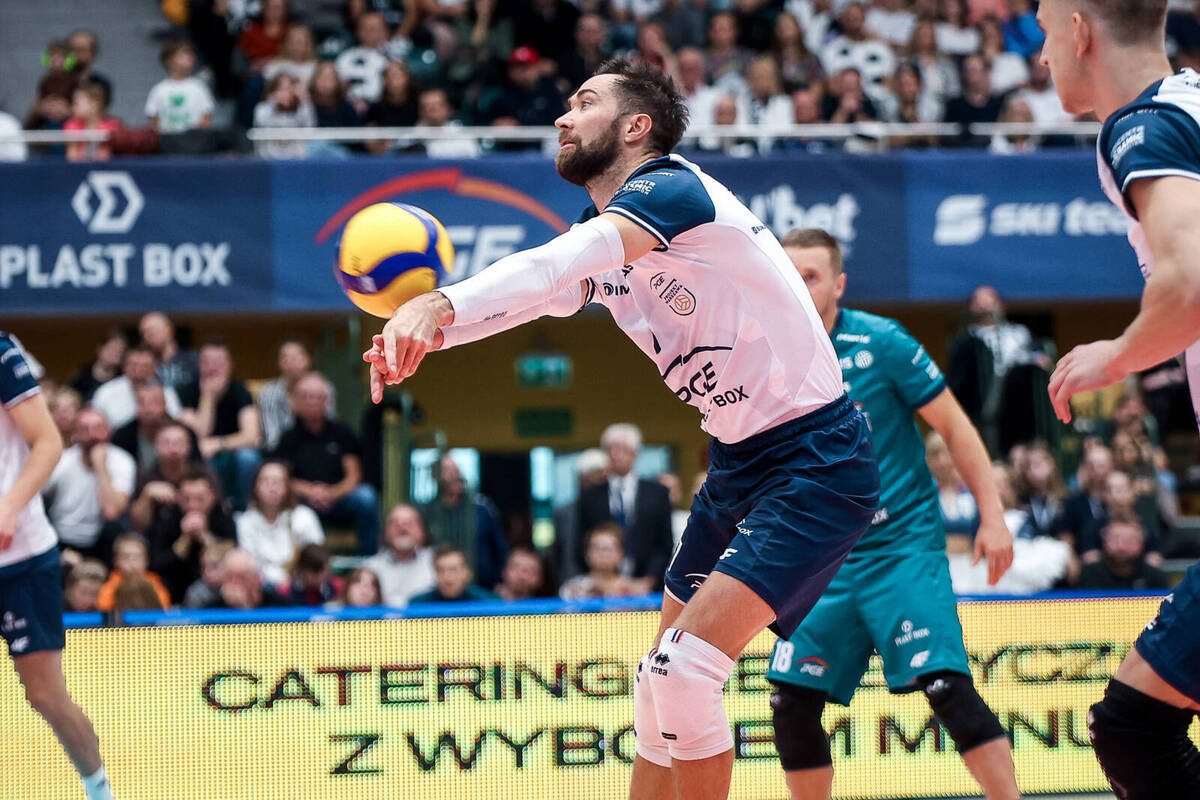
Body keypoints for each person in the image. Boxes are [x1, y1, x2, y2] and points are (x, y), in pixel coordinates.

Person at [364, 58, 880, 799]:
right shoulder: (610, 234)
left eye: (583, 103)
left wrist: (436, 304)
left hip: (815, 458)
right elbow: (537, 297)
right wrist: (427, 337)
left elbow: (554, 265)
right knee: (655, 684)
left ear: (637, 126)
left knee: (684, 672)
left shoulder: (673, 190)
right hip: (739, 461)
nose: (562, 117)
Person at [768, 229, 1017, 799]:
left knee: (944, 686)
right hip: (820, 560)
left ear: (839, 284)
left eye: (811, 276)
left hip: (900, 546)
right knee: (789, 703)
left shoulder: (882, 342)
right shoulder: (765, 350)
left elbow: (955, 427)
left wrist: (993, 516)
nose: (800, 287)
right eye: (789, 275)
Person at [1038, 0, 1200, 794]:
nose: (1042, 58)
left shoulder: (1143, 125)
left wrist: (1118, 355)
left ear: (1078, 30)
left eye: (1045, 34)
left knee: (1134, 725)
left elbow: (1191, 280)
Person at [0, 332, 114, 800]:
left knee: (45, 695)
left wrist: (9, 507)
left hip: (21, 557)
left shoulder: (2, 353)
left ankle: (98, 789)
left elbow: (47, 442)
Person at [274, 372, 379, 554]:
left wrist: (331, 493)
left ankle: (368, 559)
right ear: (296, 401)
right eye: (306, 397)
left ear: (327, 400)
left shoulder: (342, 432)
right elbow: (284, 477)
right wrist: (311, 491)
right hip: (302, 499)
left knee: (366, 497)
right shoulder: (288, 437)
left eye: (318, 396)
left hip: (339, 498)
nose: (312, 401)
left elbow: (354, 475)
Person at [577, 424, 673, 590]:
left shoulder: (658, 493)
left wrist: (650, 579)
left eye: (623, 449)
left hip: (647, 585)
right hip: (601, 586)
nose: (616, 454)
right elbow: (581, 541)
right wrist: (598, 581)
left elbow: (664, 543)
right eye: (611, 449)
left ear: (635, 453)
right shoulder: (590, 496)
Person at [43, 407, 136, 565]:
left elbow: (112, 511)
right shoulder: (62, 461)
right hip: (62, 539)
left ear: (109, 431)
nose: (92, 435)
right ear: (76, 434)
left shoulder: (122, 461)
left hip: (102, 543)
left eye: (98, 428)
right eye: (85, 429)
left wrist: (100, 466)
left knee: (113, 529)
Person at [178, 340, 262, 509]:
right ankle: (216, 510)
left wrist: (218, 444)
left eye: (218, 362)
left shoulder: (241, 392)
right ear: (199, 364)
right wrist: (208, 397)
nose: (212, 368)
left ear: (230, 365)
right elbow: (201, 432)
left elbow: (252, 437)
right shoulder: (186, 391)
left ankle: (246, 509)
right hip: (201, 455)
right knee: (202, 458)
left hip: (233, 452)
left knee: (248, 457)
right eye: (207, 362)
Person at [147, 468, 237, 602]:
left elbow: (232, 556)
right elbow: (156, 565)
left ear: (212, 497)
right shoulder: (168, 517)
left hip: (216, 593)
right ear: (178, 497)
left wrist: (205, 536)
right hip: (174, 591)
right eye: (186, 499)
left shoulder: (223, 516)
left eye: (199, 499)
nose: (192, 505)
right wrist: (185, 539)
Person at [420, 453, 508, 589]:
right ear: (434, 476)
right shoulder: (428, 512)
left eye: (456, 469)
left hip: (482, 587)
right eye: (448, 470)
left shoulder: (481, 508)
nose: (455, 475)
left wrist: (501, 582)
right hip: (440, 588)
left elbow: (500, 548)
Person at [235, 460, 324, 588]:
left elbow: (317, 557)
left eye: (278, 482)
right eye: (266, 481)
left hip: (301, 586)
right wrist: (279, 579)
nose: (272, 488)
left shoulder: (304, 516)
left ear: (287, 487)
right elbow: (250, 563)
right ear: (255, 487)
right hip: (262, 587)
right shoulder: (245, 521)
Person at [257, 339, 335, 451]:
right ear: (279, 363)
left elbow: (330, 425)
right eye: (285, 358)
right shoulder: (268, 393)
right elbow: (272, 438)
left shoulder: (323, 387)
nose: (291, 362)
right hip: (282, 451)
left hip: (319, 448)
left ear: (308, 360)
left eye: (297, 357)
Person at [91, 345, 183, 430]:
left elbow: (175, 421)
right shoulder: (106, 392)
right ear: (124, 367)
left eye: (145, 366)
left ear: (154, 368)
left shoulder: (166, 392)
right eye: (134, 365)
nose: (139, 370)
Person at [363, 503, 435, 606]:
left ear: (422, 531)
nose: (402, 528)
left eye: (409, 523)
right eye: (395, 524)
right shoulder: (370, 568)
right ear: (385, 532)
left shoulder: (437, 562)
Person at [111, 382, 190, 475]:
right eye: (142, 403)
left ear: (165, 405)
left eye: (154, 402)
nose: (147, 409)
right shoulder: (122, 436)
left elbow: (195, 469)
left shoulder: (183, 432)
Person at [1076, 518, 1170, 591]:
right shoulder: (1089, 575)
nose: (1121, 547)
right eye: (1115, 540)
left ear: (1141, 544)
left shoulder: (1155, 577)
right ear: (1104, 543)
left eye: (1129, 541)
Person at [560, 523, 648, 599]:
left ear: (621, 553)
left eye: (608, 548)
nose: (603, 554)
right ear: (587, 554)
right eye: (597, 548)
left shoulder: (635, 590)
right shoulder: (572, 589)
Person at [145, 40, 215, 134]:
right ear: (169, 61)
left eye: (190, 55)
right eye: (183, 56)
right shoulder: (159, 89)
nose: (189, 58)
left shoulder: (199, 87)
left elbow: (206, 115)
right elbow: (153, 117)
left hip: (193, 138)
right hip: (168, 138)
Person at [94, 533, 172, 612]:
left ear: (146, 560)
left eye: (137, 557)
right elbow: (103, 607)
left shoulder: (155, 583)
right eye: (126, 557)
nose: (132, 563)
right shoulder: (109, 586)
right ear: (116, 561)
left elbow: (164, 607)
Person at [409, 544, 500, 603]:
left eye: (453, 570)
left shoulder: (489, 603)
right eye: (440, 570)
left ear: (467, 573)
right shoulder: (418, 605)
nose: (447, 577)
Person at [207, 548, 291, 609]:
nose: (234, 583)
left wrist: (247, 608)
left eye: (241, 578)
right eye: (229, 577)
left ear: (257, 578)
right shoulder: (213, 609)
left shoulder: (280, 606)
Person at [138, 312, 199, 393]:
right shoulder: (143, 365)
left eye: (151, 331)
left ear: (169, 330)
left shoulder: (193, 360)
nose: (146, 337)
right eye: (143, 333)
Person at [63, 81, 122, 163]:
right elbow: (71, 157)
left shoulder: (112, 125)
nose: (72, 107)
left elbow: (105, 158)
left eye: (76, 103)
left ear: (95, 104)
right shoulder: (71, 125)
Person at [68, 329, 126, 402]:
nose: (114, 354)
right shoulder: (82, 374)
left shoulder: (123, 378)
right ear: (100, 349)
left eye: (119, 351)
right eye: (111, 349)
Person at [182, 539, 234, 609]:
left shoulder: (241, 587)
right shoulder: (196, 593)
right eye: (203, 567)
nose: (207, 572)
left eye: (214, 566)